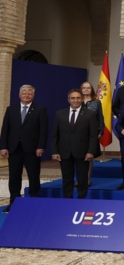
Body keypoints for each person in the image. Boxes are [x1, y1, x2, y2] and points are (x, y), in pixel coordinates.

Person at [0, 84, 48, 213]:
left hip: (33, 150)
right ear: (19, 95)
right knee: (14, 177)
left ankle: (34, 202)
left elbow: (43, 131)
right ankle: (13, 203)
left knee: (33, 176)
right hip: (13, 149)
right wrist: (3, 147)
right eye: (24, 93)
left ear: (33, 95)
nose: (27, 95)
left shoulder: (40, 109)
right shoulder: (11, 109)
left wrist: (40, 147)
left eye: (29, 93)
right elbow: (5, 129)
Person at [51, 89, 99, 199]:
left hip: (83, 152)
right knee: (67, 178)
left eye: (78, 98)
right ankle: (68, 201)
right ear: (68, 100)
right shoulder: (60, 114)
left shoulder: (90, 114)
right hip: (64, 152)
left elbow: (93, 135)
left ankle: (81, 200)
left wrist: (91, 151)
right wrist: (54, 151)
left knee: (82, 179)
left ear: (82, 99)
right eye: (73, 98)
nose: (75, 100)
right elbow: (55, 134)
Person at [80, 81, 104, 186]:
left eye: (88, 88)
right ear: (81, 89)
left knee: (89, 156)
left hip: (92, 133)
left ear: (91, 89)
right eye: (84, 88)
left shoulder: (96, 102)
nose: (86, 89)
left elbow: (100, 118)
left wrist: (101, 131)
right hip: (78, 133)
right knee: (78, 156)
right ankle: (80, 178)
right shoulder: (77, 101)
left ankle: (87, 179)